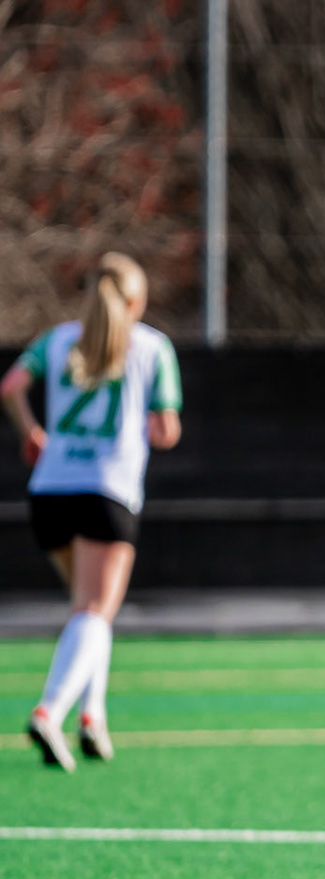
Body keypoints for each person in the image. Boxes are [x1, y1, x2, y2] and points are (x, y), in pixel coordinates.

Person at [1, 252, 181, 771]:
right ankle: (50, 711)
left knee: (88, 611)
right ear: (136, 300)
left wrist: (32, 433)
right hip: (107, 492)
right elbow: (165, 428)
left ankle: (93, 718)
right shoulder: (152, 346)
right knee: (95, 612)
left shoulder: (57, 341)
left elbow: (10, 388)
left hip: (50, 490)